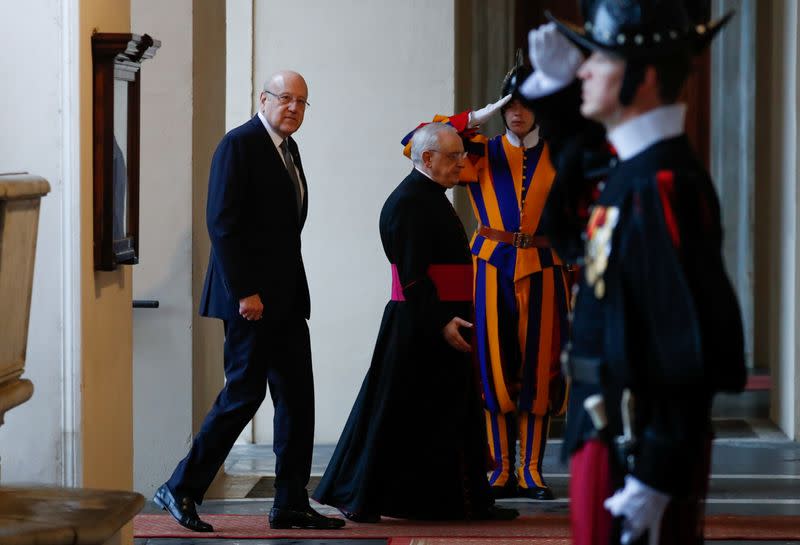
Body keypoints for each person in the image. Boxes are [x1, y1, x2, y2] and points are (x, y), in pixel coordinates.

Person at [532, 3, 746, 544]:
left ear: (644, 75)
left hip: (636, 438)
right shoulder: (637, 169)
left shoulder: (663, 184)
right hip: (608, 427)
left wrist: (658, 468)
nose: (582, 70)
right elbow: (572, 201)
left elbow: (685, 344)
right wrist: (555, 93)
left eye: (597, 60)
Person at [153, 70, 344, 532]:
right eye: (285, 98)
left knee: (298, 397)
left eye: (302, 101)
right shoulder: (239, 145)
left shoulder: (288, 149)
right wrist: (245, 291)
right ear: (263, 98)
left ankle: (290, 502)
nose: (294, 108)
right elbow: (221, 223)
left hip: (286, 298)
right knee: (243, 395)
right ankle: (180, 487)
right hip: (251, 300)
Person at [313, 122, 518, 523]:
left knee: (446, 414)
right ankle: (362, 498)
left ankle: (462, 501)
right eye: (454, 156)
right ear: (427, 158)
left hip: (441, 318)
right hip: (421, 325)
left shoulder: (429, 195)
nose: (462, 163)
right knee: (396, 415)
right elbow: (413, 274)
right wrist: (442, 322)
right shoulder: (409, 202)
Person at [400, 56, 570, 501]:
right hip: (491, 266)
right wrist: (477, 117)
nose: (517, 111)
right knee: (491, 364)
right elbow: (413, 142)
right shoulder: (477, 151)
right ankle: (499, 467)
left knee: (539, 365)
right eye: (510, 103)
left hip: (547, 266)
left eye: (527, 102)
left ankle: (531, 469)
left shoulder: (563, 151)